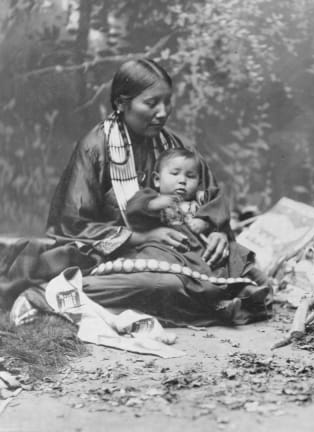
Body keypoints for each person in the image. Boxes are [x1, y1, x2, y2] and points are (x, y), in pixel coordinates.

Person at [2, 58, 271, 326]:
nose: (163, 112)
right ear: (122, 103)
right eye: (152, 103)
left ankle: (210, 297)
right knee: (164, 283)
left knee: (243, 268)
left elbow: (209, 194)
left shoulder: (174, 144)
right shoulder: (95, 147)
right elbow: (71, 224)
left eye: (167, 102)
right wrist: (141, 236)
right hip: (118, 253)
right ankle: (46, 297)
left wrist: (217, 231)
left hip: (180, 247)